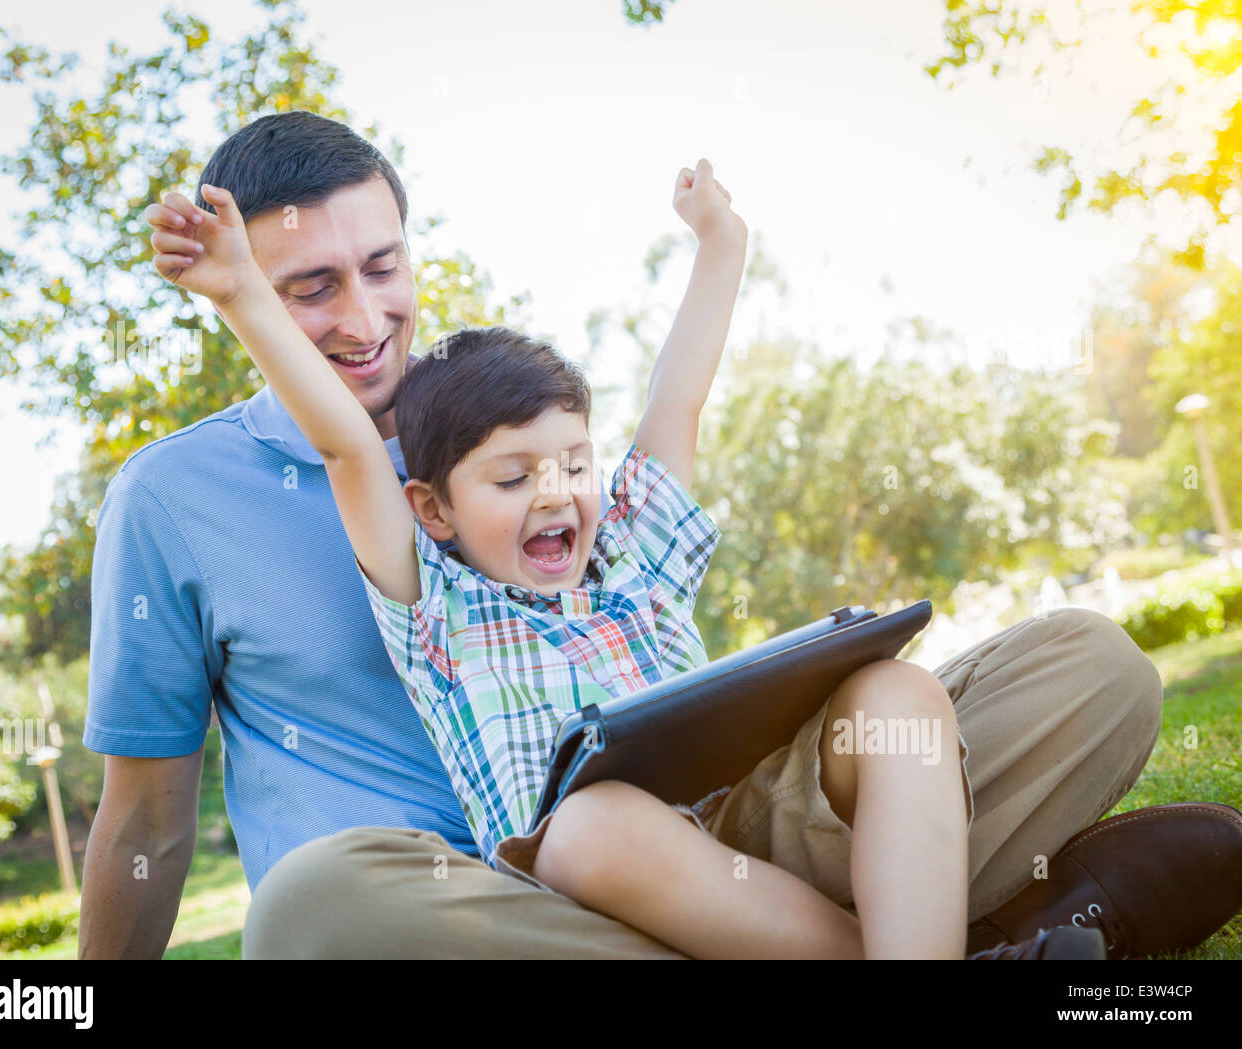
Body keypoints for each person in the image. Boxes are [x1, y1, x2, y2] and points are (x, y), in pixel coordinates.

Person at [79, 111, 1242, 960]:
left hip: (736, 850)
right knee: (314, 904)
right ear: (434, 504)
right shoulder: (353, 547)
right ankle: (995, 943)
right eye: (307, 289)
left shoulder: (560, 479)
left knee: (1073, 668)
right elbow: (148, 810)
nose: (363, 314)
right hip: (487, 916)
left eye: (382, 267)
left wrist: (719, 248)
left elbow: (670, 410)